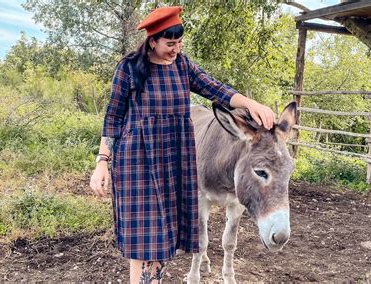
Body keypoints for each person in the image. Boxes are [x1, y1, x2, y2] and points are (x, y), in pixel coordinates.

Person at [89, 6, 275, 283]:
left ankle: (154, 279)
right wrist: (102, 162)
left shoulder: (182, 66)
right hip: (136, 162)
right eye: (169, 43)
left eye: (179, 43)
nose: (175, 48)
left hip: (173, 161)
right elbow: (113, 118)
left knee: (164, 235)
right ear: (152, 41)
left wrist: (250, 103)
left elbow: (216, 89)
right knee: (142, 235)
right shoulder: (128, 68)